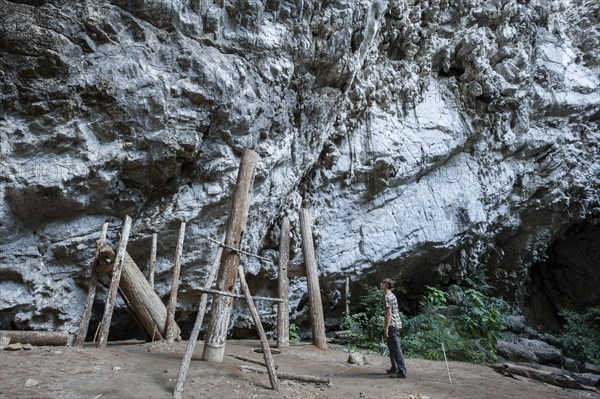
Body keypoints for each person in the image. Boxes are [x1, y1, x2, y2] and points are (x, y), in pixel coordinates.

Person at [380, 278, 407, 378]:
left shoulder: (387, 296)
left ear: (386, 285)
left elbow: (389, 314)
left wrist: (386, 328)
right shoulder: (392, 295)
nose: (380, 284)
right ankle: (394, 367)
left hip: (393, 325)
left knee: (396, 348)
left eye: (382, 283)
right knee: (392, 348)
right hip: (396, 324)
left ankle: (402, 371)